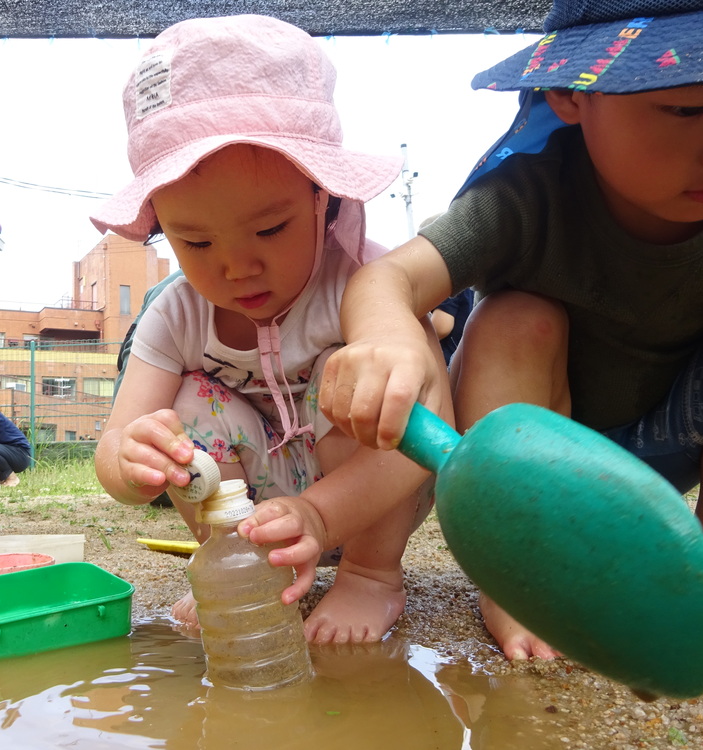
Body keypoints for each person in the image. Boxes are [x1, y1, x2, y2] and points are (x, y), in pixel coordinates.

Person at [244, 0, 703, 661]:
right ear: (570, 94)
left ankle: (696, 596)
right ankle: (513, 579)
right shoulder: (527, 195)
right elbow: (386, 281)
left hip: (669, 445)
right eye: (687, 111)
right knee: (517, 317)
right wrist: (388, 339)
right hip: (525, 451)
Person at [91, 14, 452, 644]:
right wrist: (129, 459)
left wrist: (319, 513)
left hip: (371, 492)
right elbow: (116, 442)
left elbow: (432, 415)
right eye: (196, 241)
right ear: (160, 226)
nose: (237, 267)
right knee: (183, 409)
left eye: (270, 229)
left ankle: (370, 575)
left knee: (365, 382)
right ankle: (242, 571)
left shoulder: (366, 282)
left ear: (323, 197)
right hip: (251, 503)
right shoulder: (175, 313)